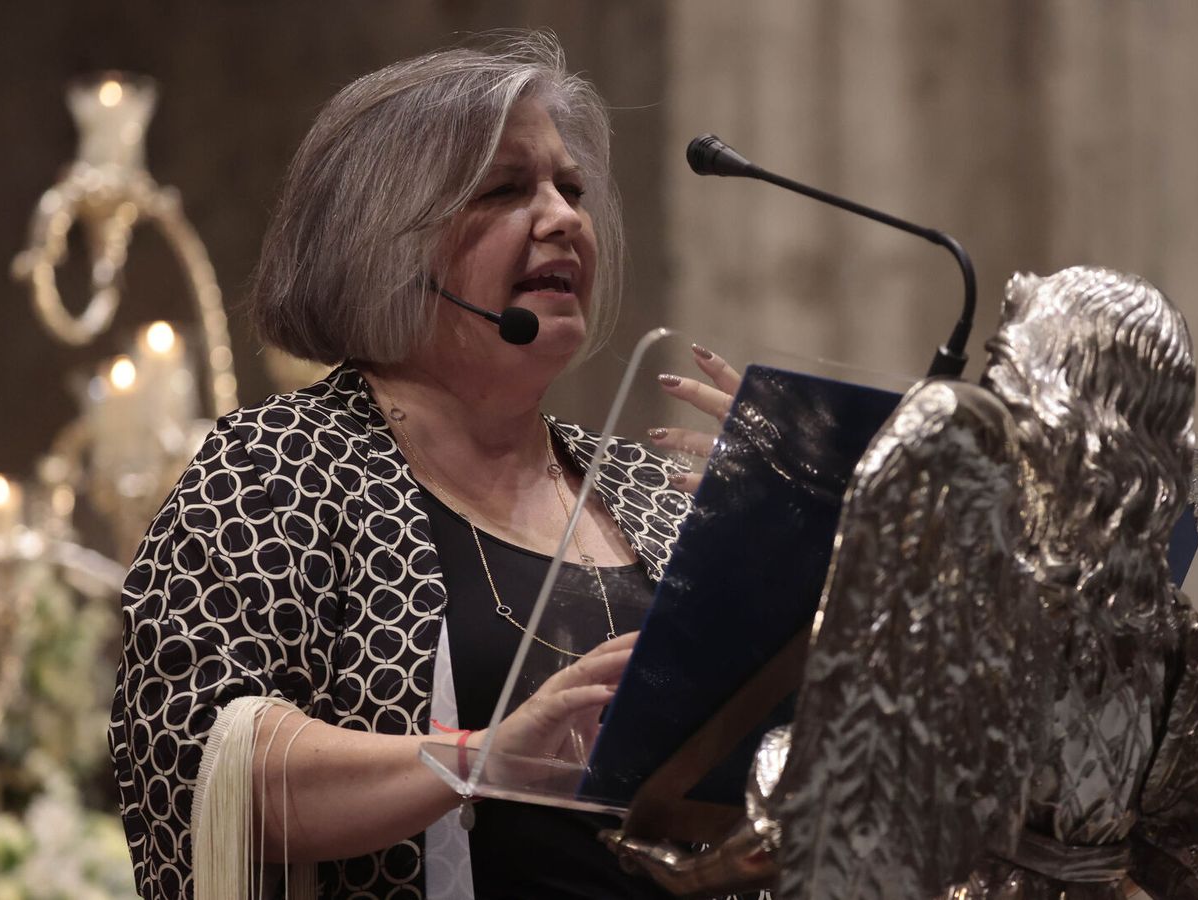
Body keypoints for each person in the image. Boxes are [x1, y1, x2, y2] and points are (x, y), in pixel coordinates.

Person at [109, 32, 738, 899]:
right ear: (383, 241)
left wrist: (805, 534)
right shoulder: (283, 467)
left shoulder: (647, 488)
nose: (563, 217)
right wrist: (475, 759)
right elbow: (201, 761)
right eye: (508, 189)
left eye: (573, 189)